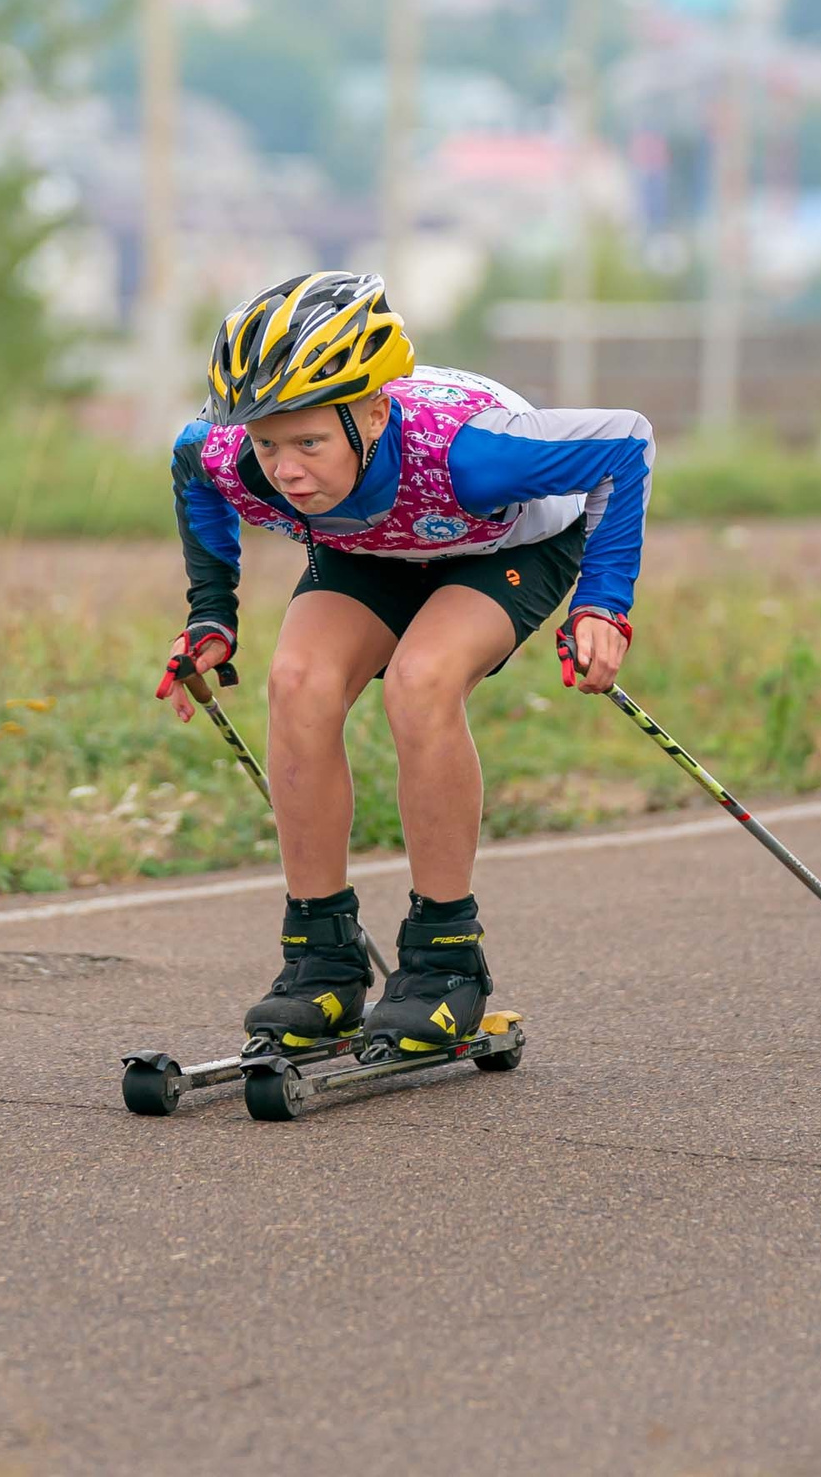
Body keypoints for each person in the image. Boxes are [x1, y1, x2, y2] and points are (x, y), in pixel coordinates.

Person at [155, 270, 653, 1053]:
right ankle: (322, 960)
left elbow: (626, 441)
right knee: (297, 683)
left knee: (422, 681)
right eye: (268, 443)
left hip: (502, 541)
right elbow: (193, 466)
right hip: (370, 545)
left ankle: (446, 960)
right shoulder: (239, 456)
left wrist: (603, 603)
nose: (285, 470)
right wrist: (211, 613)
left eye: (309, 442)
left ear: (373, 412)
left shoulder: (476, 453)